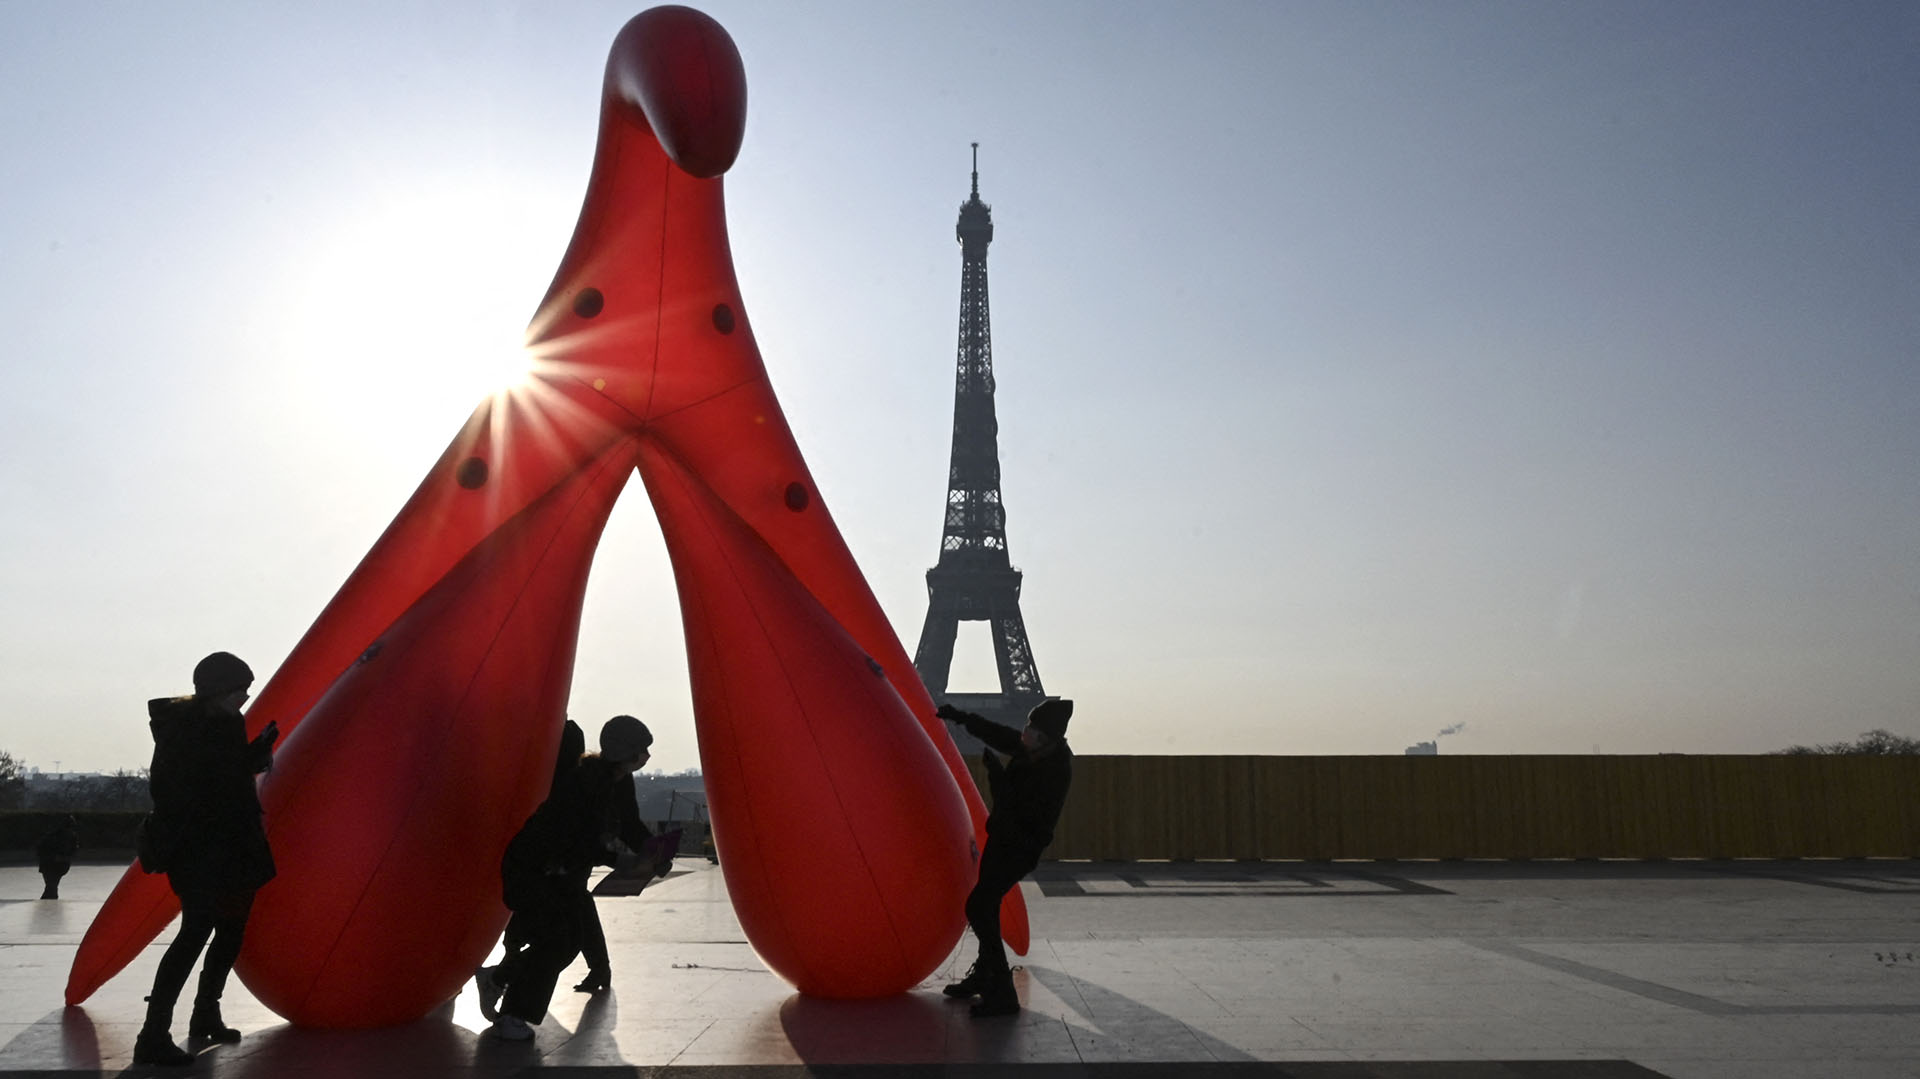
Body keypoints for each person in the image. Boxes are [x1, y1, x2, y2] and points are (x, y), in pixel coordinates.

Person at [475, 715, 671, 1041]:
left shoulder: (619, 782)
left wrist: (655, 853)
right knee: (556, 939)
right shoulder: (583, 784)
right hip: (532, 869)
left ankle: (498, 978)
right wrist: (618, 861)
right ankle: (512, 1014)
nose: (646, 756)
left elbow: (630, 824)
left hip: (558, 871)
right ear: (626, 752)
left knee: (568, 940)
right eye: (642, 750)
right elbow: (580, 839)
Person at [133, 652, 278, 1067]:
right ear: (218, 689)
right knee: (195, 934)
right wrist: (248, 761)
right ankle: (154, 1034)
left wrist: (254, 754)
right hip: (202, 851)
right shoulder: (193, 727)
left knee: (229, 930)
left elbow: (222, 776)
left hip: (227, 848)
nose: (245, 697)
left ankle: (203, 1014)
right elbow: (192, 789)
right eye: (239, 689)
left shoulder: (216, 723)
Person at [936, 698, 1074, 1017]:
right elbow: (998, 734)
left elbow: (1019, 810)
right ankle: (985, 975)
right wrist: (961, 717)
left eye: (1030, 728)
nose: (1023, 732)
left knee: (979, 905)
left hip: (1020, 849)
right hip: (1003, 841)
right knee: (988, 905)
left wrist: (997, 777)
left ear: (1044, 736)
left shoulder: (1055, 769)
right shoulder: (1038, 749)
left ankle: (1001, 992)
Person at [36, 815, 79, 899]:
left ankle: (48, 903)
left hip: (55, 865)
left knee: (51, 886)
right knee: (52, 886)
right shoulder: (67, 837)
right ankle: (49, 902)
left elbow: (40, 848)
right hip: (52, 864)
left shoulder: (56, 836)